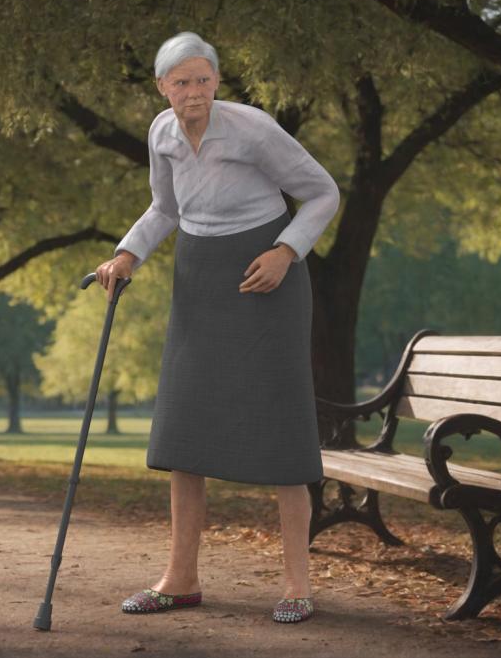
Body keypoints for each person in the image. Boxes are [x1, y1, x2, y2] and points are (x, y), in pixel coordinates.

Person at [94, 31, 340, 624]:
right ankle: (180, 580)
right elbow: (165, 209)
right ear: (163, 88)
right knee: (186, 429)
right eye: (182, 83)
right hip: (199, 277)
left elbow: (322, 193)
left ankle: (296, 585)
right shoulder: (161, 133)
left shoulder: (252, 128)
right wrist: (127, 255)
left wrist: (286, 252)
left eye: (204, 80)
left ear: (217, 82)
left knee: (281, 428)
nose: (195, 92)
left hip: (267, 276)